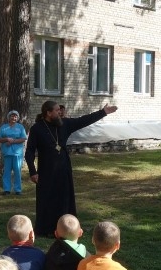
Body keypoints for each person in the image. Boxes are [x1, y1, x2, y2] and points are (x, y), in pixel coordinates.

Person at [25, 100, 118, 237]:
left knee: (65, 199)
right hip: (46, 171)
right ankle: (46, 229)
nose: (60, 112)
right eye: (57, 110)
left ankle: (67, 228)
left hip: (64, 169)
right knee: (47, 200)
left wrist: (103, 112)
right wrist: (33, 171)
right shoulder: (37, 128)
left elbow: (83, 120)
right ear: (48, 113)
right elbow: (30, 152)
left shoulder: (64, 124)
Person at [0, 110, 27, 195]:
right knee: (7, 171)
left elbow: (23, 138)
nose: (14, 118)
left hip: (17, 153)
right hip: (7, 152)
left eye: (15, 116)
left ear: (17, 118)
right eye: (12, 116)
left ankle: (18, 190)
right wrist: (6, 139)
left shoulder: (20, 127)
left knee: (17, 171)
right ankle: (7, 189)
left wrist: (13, 141)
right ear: (8, 117)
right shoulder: (3, 127)